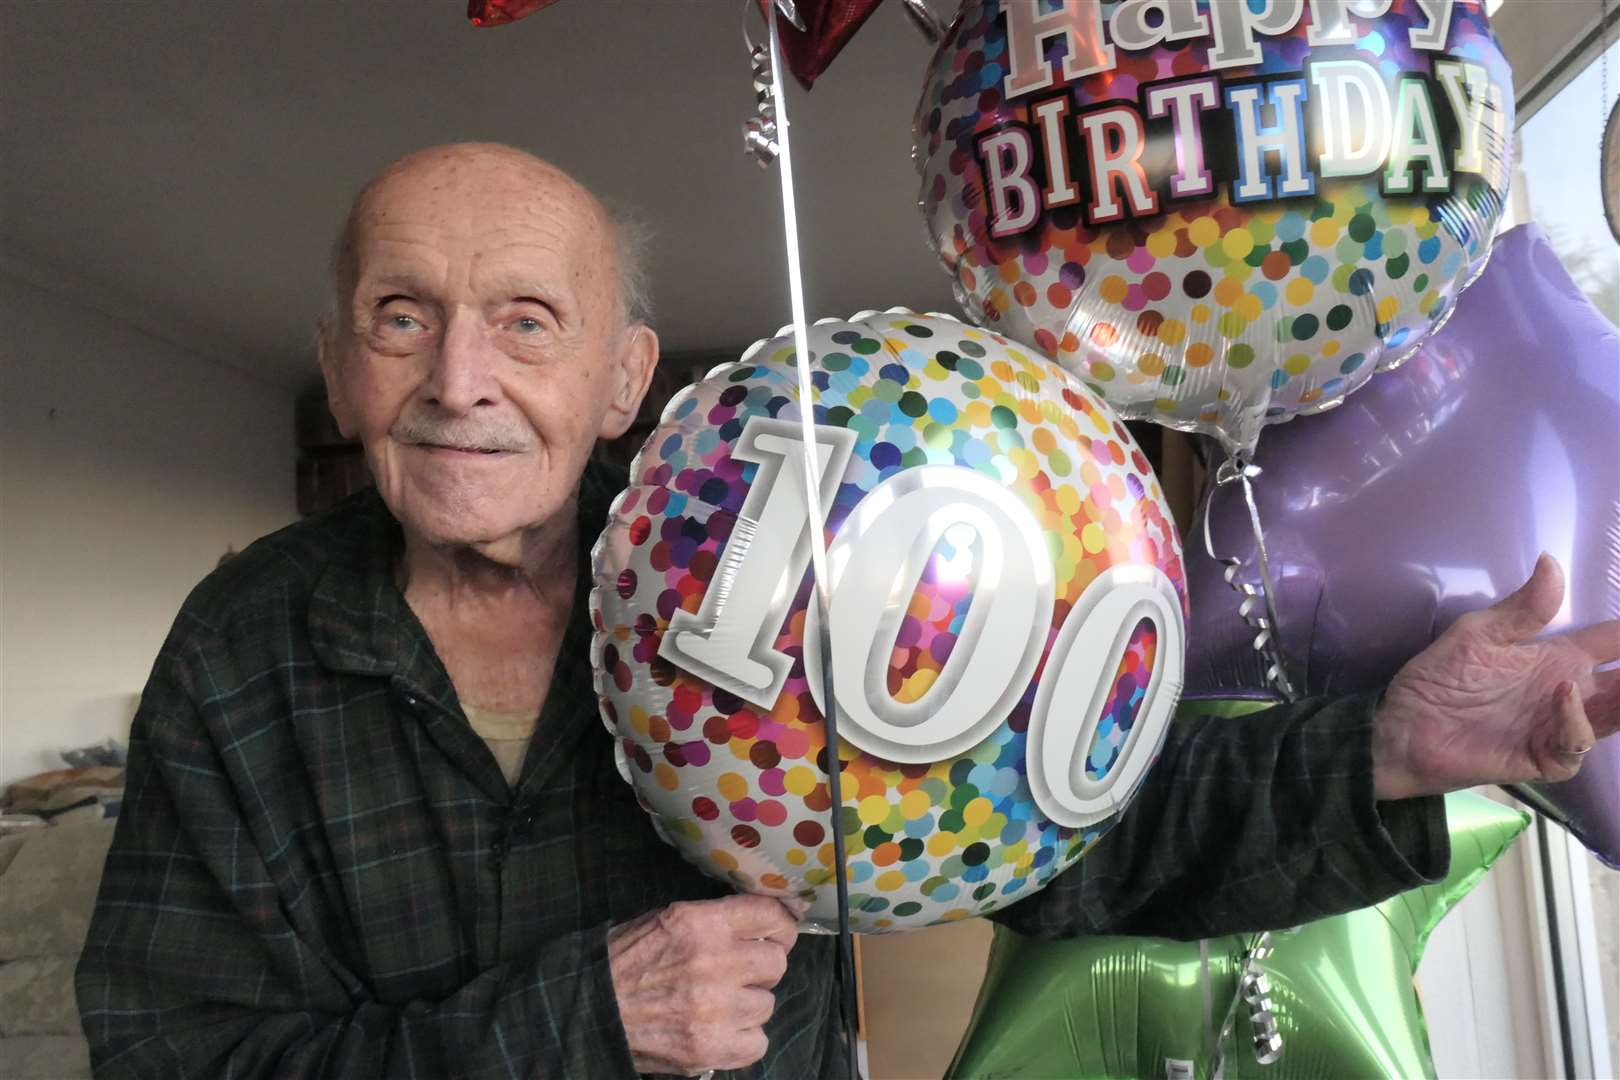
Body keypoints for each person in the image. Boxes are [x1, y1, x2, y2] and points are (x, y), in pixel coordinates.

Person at [76, 143, 1620, 1079]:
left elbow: (1084, 834)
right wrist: (584, 1025)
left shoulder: (792, 556)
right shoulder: (243, 650)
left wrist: (1388, 754)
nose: (459, 382)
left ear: (625, 378)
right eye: (401, 318)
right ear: (341, 368)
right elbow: (176, 1057)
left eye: (526, 324)